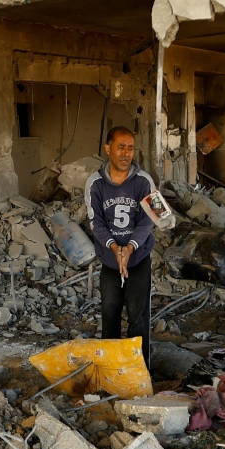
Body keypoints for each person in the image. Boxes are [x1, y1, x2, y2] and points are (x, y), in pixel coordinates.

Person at [85, 126, 155, 368]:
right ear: (108, 149)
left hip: (139, 258)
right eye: (120, 147)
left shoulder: (145, 181)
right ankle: (111, 370)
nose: (126, 153)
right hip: (109, 259)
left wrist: (131, 247)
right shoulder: (94, 183)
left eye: (130, 148)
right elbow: (96, 222)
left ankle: (141, 371)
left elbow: (150, 218)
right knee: (110, 312)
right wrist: (115, 248)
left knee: (139, 315)